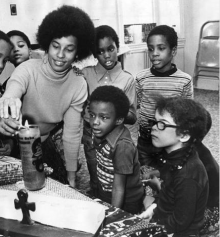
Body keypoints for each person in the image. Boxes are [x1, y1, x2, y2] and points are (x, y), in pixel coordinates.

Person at [0, 5, 95, 187]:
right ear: (47, 44)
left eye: (69, 49)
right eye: (55, 46)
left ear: (78, 52)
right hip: (13, 146)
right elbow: (12, 91)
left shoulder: (78, 84)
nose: (60, 55)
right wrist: (8, 98)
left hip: (44, 144)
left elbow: (72, 134)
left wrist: (71, 177)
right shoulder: (28, 69)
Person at [139, 96, 209, 237]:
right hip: (165, 221)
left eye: (162, 124)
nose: (153, 128)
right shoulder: (175, 157)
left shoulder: (188, 174)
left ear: (183, 135)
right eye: (155, 122)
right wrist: (152, 209)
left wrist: (152, 229)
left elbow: (181, 222)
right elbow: (167, 194)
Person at [81, 25, 137, 195]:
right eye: (100, 51)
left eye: (111, 49)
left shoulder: (127, 79)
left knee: (116, 181)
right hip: (91, 136)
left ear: (117, 47)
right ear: (94, 53)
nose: (106, 55)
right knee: (96, 178)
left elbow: (133, 116)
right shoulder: (85, 74)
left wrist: (114, 111)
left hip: (115, 141)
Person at [136, 25, 193, 166]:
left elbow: (188, 114)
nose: (154, 53)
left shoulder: (184, 80)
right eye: (150, 48)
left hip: (170, 140)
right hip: (146, 140)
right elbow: (136, 106)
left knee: (168, 177)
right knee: (146, 176)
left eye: (161, 48)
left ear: (173, 51)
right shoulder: (141, 78)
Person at [88, 85, 144, 214]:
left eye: (104, 117)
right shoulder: (99, 131)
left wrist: (114, 214)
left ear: (119, 120)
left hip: (126, 202)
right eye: (92, 115)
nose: (95, 122)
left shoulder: (122, 147)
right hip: (106, 193)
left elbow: (119, 189)